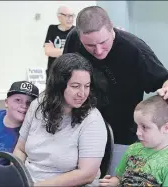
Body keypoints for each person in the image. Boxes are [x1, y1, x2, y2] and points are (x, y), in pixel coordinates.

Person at [63, 6, 168, 174]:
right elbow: (63, 76)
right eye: (89, 45)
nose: (98, 50)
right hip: (80, 128)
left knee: (114, 178)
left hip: (122, 134)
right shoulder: (73, 38)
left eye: (103, 42)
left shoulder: (134, 49)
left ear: (112, 29)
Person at [13, 53, 107, 186]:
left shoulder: (92, 120)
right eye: (75, 86)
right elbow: (20, 150)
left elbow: (87, 174)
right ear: (58, 85)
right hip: (28, 181)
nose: (82, 93)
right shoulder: (38, 104)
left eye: (87, 86)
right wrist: (15, 176)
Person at [99, 95, 168, 186]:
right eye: (137, 126)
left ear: (166, 128)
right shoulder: (132, 149)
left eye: (144, 127)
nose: (138, 132)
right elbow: (120, 177)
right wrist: (116, 181)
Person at [44, 6, 75, 79]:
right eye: (67, 16)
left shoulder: (75, 31)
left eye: (72, 16)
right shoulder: (52, 29)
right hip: (53, 72)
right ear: (59, 17)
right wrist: (68, 50)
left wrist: (56, 51)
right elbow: (48, 51)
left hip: (69, 72)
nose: (70, 19)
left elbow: (76, 53)